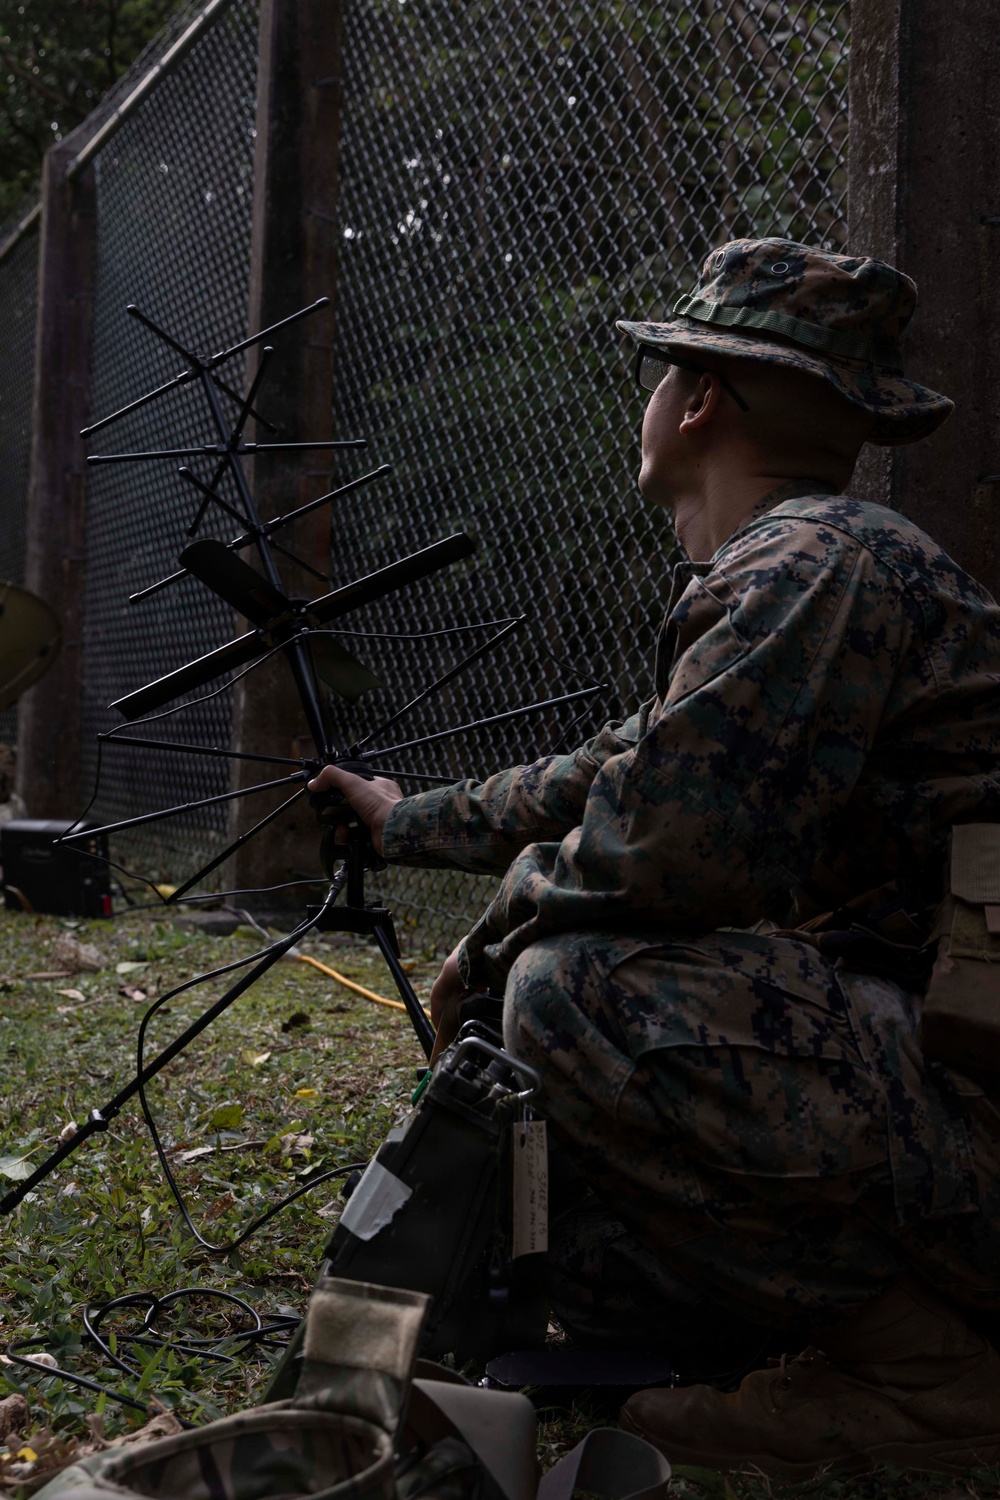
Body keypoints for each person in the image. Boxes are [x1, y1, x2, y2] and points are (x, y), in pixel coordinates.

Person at [309, 238, 1000, 1477]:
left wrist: (491, 945)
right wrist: (403, 820)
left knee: (575, 993)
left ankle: (921, 1374)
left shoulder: (810, 565)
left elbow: (666, 854)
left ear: (698, 401)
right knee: (573, 1239)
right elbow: (616, 772)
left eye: (660, 373)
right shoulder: (823, 561)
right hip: (942, 1081)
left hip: (973, 1111)